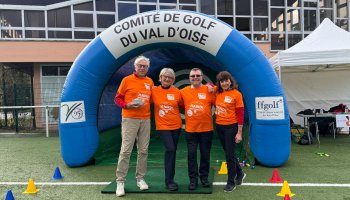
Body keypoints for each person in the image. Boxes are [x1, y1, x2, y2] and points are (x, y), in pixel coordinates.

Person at [114, 55, 154, 197]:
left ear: (147, 68)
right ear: (135, 67)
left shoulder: (150, 81)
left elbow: (155, 98)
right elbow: (117, 98)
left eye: (145, 66)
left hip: (145, 120)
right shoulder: (126, 80)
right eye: (140, 65)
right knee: (126, 150)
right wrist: (127, 105)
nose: (142, 68)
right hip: (130, 119)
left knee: (143, 150)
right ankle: (120, 181)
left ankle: (140, 178)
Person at [180, 68, 216, 190]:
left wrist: (210, 84)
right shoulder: (183, 91)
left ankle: (204, 178)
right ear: (189, 78)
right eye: (192, 76)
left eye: (197, 75)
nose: (195, 77)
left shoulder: (210, 90)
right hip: (191, 131)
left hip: (206, 130)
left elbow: (224, 89)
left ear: (202, 77)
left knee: (205, 155)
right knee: (191, 155)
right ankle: (193, 180)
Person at [151, 68, 182, 191]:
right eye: (165, 76)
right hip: (163, 126)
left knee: (172, 152)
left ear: (173, 80)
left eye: (170, 77)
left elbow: (184, 104)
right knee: (170, 149)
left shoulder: (177, 92)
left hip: (176, 126)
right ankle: (168, 181)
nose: (167, 79)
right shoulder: (153, 91)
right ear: (160, 78)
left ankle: (171, 179)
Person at [214, 71, 246, 192]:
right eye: (222, 81)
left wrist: (239, 132)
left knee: (229, 155)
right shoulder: (217, 93)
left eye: (226, 80)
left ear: (230, 81)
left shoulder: (236, 94)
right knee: (230, 153)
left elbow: (241, 114)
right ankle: (240, 173)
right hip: (220, 127)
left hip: (231, 127)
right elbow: (210, 88)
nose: (224, 83)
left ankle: (230, 182)